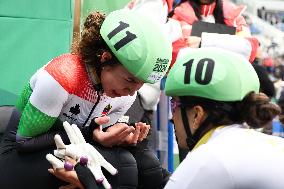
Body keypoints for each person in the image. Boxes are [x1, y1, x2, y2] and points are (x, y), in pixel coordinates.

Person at [0, 9, 172, 189]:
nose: (131, 93)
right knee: (124, 167)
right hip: (17, 156)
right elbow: (24, 143)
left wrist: (120, 139)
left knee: (147, 165)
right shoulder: (62, 76)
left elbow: (98, 139)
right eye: (130, 80)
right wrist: (91, 134)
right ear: (105, 58)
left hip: (68, 150)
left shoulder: (126, 94)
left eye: (141, 84)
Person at [163, 47, 284, 189]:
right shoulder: (250, 143)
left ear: (197, 114)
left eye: (174, 104)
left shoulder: (208, 158)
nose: (172, 117)